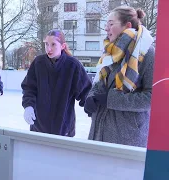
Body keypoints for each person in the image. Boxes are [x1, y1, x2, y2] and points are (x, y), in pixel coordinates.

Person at [84, 6, 155, 147]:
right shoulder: (109, 52)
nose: (106, 28)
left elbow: (153, 98)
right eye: (106, 24)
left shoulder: (147, 53)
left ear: (127, 26)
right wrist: (91, 97)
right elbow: (99, 83)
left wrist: (111, 99)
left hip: (127, 136)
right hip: (99, 130)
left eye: (111, 24)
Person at [21, 29, 92, 137]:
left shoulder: (73, 65)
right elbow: (29, 87)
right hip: (39, 127)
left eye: (53, 44)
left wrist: (94, 111)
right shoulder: (38, 63)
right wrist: (28, 105)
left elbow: (86, 93)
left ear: (62, 46)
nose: (49, 48)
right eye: (46, 44)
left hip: (64, 130)